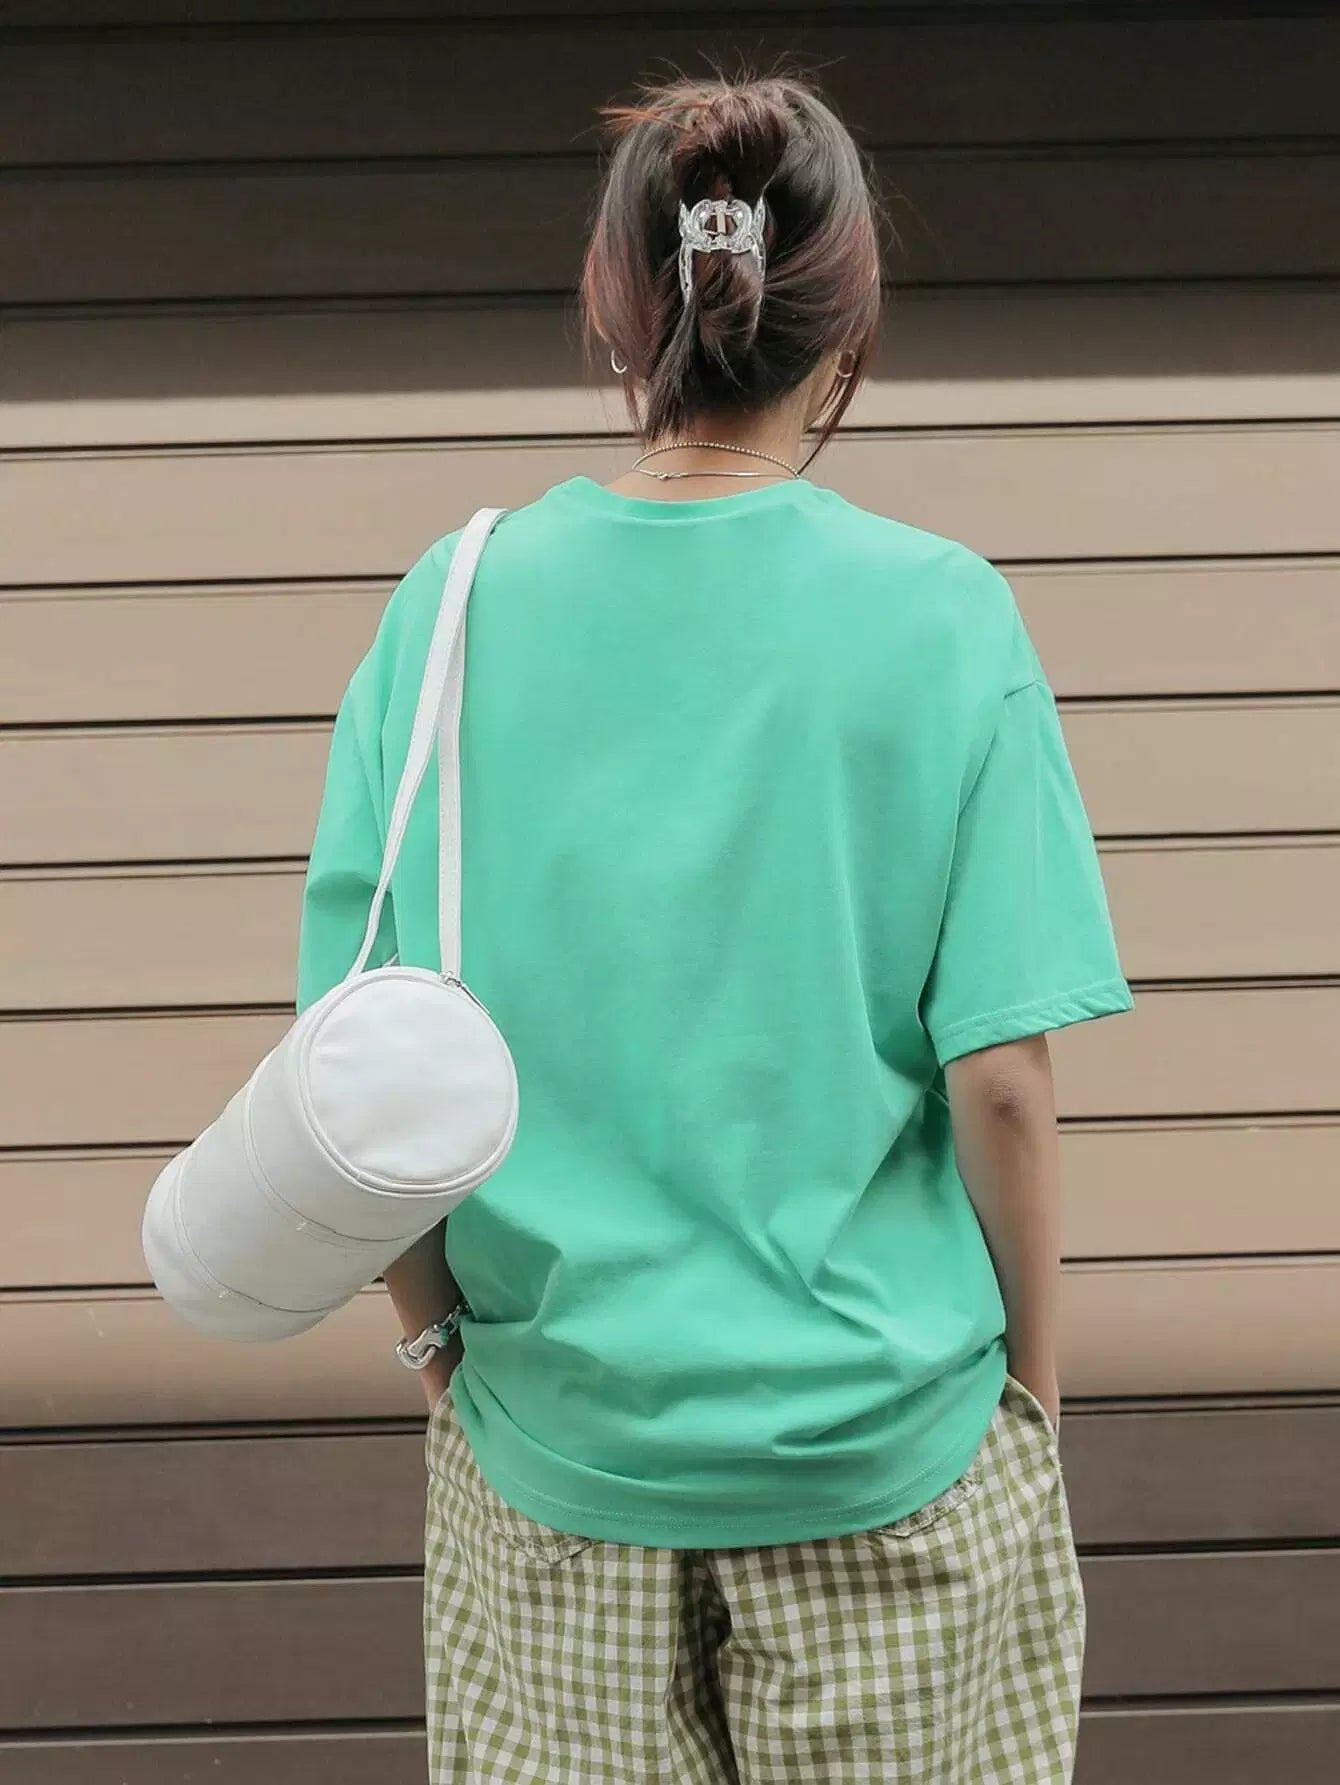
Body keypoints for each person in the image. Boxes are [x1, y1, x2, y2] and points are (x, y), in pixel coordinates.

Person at [297, 69, 1132, 1785]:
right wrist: (1032, 1396)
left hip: (555, 1464)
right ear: (846, 327)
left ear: (623, 303)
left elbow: (355, 1069)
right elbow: (1002, 1084)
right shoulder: (944, 617)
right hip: (887, 1466)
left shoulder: (451, 609)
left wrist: (437, 1339)